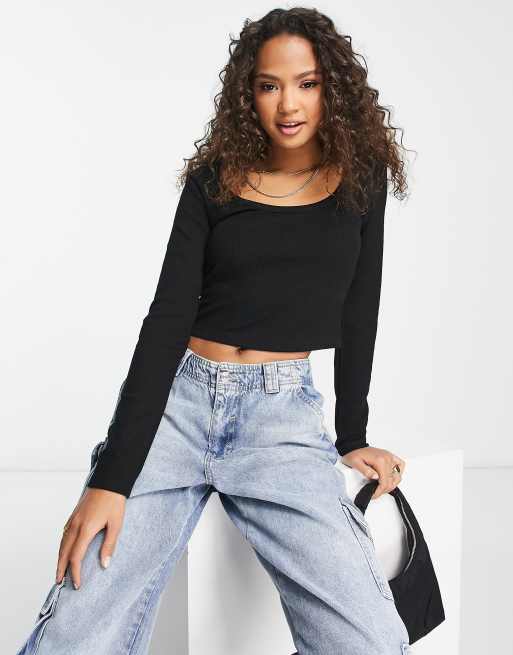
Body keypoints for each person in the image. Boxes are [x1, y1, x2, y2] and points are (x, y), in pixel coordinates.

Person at [16, 7, 414, 655]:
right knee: (74, 634)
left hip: (279, 422)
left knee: (369, 640)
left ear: (332, 88)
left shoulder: (360, 181)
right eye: (268, 85)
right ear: (247, 94)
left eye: (307, 83)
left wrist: (352, 435)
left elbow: (358, 308)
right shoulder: (213, 182)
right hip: (177, 412)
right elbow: (166, 320)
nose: (288, 104)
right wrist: (111, 479)